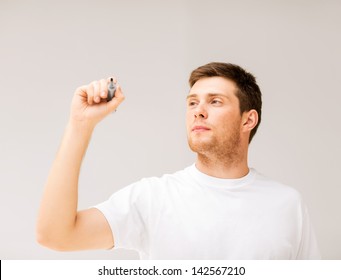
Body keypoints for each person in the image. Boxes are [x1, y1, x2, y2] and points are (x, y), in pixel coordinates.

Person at [36, 62, 321, 259]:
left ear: (248, 119)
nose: (198, 111)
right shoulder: (153, 198)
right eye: (192, 102)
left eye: (215, 101)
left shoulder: (287, 204)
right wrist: (79, 124)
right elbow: (55, 234)